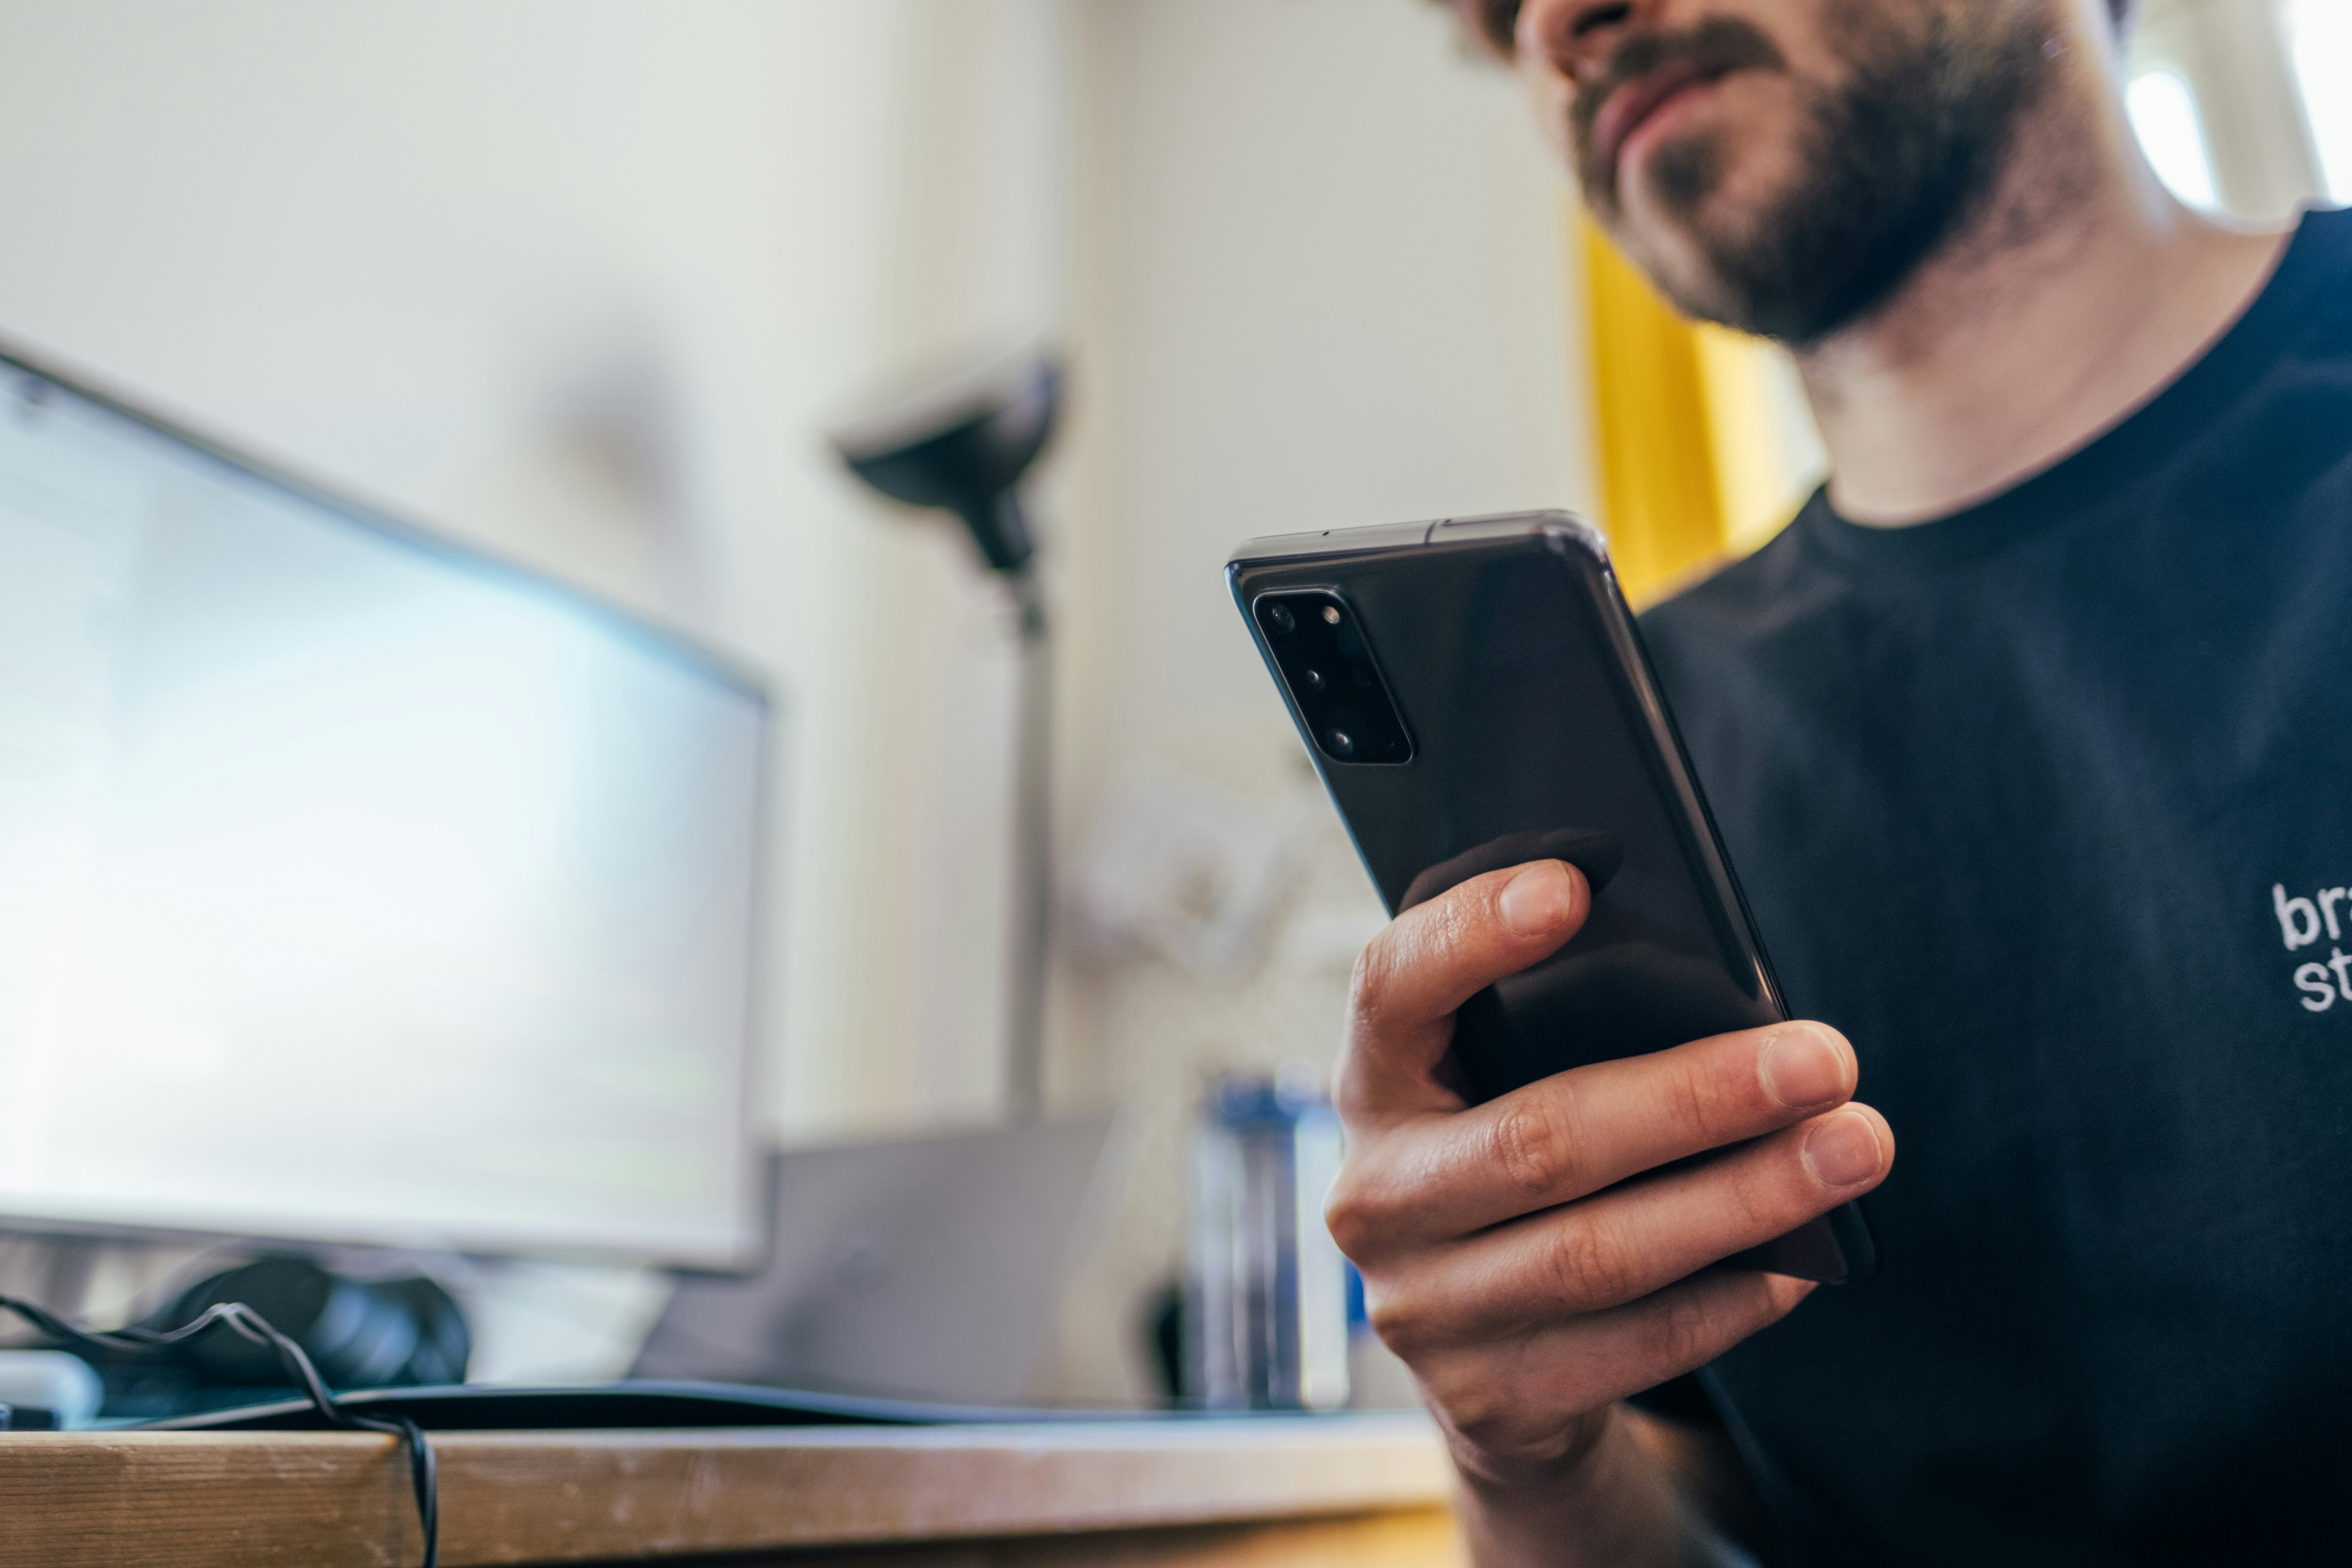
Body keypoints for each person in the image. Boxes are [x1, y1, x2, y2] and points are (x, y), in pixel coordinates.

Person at [1330, 0, 2351, 1561]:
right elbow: (1710, 1520)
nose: (1556, 24)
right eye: (1492, 10)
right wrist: (1523, 1455)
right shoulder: (1618, 777)